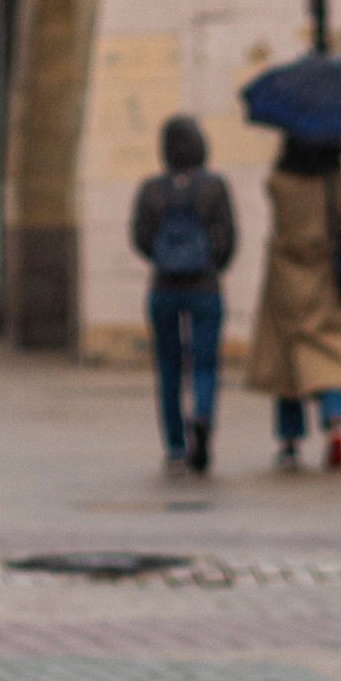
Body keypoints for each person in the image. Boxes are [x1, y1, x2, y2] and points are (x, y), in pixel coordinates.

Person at [246, 133, 341, 470]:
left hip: (285, 278)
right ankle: (334, 420)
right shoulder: (332, 183)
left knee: (285, 360)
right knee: (329, 350)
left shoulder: (279, 183)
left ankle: (289, 441)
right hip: (324, 275)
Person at [130, 113, 237, 474]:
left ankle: (176, 444)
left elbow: (140, 238)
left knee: (168, 366)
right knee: (205, 363)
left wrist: (164, 260)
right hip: (205, 287)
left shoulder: (151, 189)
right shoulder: (214, 187)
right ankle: (202, 417)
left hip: (163, 288)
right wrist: (212, 265)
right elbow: (228, 238)